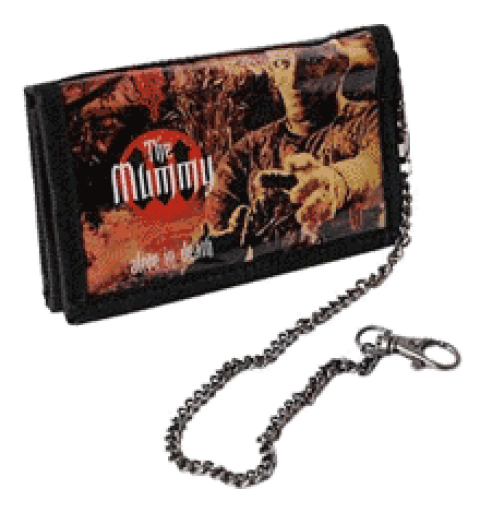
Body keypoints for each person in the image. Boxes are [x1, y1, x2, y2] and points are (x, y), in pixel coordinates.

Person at [203, 36, 384, 263]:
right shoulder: (244, 154)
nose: (294, 79)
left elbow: (374, 163)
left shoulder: (368, 121)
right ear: (273, 74)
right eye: (282, 64)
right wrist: (234, 235)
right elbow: (213, 238)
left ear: (339, 67)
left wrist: (338, 182)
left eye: (310, 62)